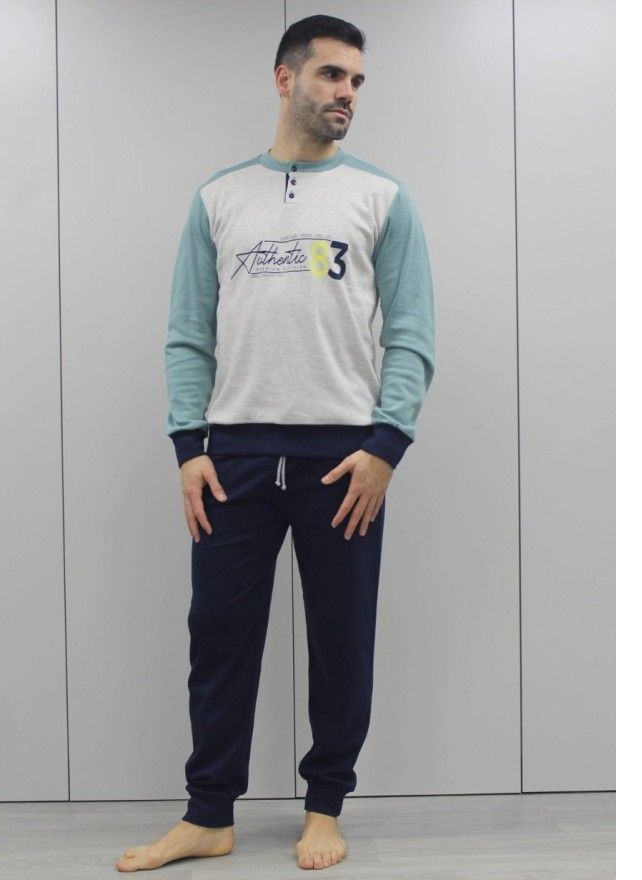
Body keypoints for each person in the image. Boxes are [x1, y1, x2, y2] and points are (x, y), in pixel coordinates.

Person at [116, 12, 435, 874]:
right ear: (285, 78)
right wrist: (189, 446)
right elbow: (189, 333)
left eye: (357, 81)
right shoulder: (218, 198)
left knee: (342, 641)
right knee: (217, 637)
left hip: (345, 462)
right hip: (235, 460)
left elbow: (411, 333)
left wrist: (387, 445)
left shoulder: (382, 198)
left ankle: (324, 806)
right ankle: (208, 814)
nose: (348, 94)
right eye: (333, 74)